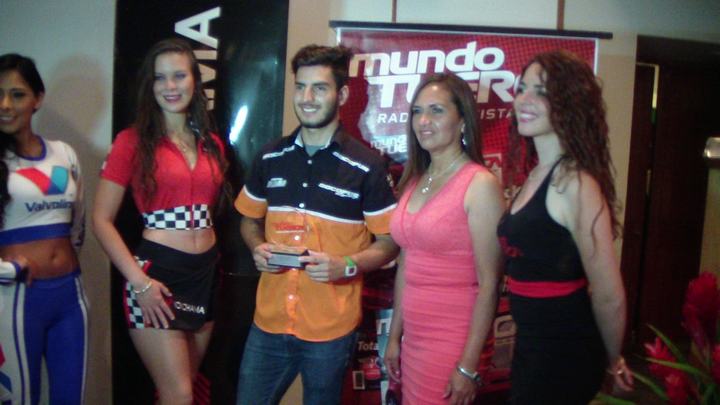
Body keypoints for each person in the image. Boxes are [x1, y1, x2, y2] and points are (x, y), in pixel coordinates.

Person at [234, 44, 399, 405]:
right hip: (268, 323)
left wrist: (347, 265)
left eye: (319, 88)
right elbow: (249, 220)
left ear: (342, 95)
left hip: (330, 330)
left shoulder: (367, 166)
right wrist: (256, 247)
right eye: (301, 87)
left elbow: (389, 243)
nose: (307, 98)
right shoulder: (270, 156)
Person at [93, 38, 228, 405]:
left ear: (195, 80)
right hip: (157, 278)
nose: (170, 86)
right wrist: (140, 283)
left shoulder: (211, 143)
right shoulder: (131, 141)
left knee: (184, 390)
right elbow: (101, 220)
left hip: (204, 274)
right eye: (160, 77)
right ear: (149, 85)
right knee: (178, 395)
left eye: (179, 76)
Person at [496, 50, 634, 404]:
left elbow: (608, 293)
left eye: (541, 91)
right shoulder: (536, 175)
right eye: (522, 88)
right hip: (532, 346)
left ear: (569, 104)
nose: (524, 99)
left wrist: (613, 359)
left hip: (564, 352)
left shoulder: (575, 182)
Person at [383, 73, 504, 405]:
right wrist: (394, 338)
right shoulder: (415, 180)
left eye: (436, 110)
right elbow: (407, 265)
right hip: (413, 340)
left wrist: (467, 365)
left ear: (462, 120)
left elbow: (490, 283)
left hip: (452, 339)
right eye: (417, 111)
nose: (423, 121)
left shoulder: (479, 184)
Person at [0, 53, 87, 405]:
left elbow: (78, 224)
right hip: (15, 299)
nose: (5, 105)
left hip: (70, 296)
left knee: (71, 399)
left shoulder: (64, 154)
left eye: (17, 94)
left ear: (38, 98)